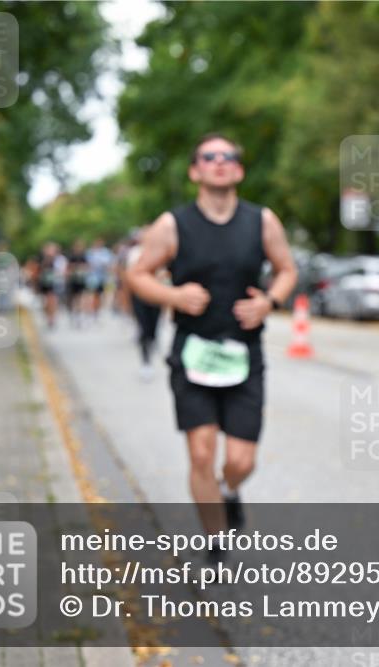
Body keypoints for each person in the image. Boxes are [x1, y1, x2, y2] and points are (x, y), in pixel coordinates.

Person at [128, 133, 297, 563]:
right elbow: (139, 275)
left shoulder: (261, 221)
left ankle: (229, 490)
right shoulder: (172, 225)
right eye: (209, 157)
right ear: (195, 170)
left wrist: (269, 302)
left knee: (240, 461)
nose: (219, 162)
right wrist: (174, 296)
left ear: (238, 170)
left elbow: (286, 270)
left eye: (228, 157)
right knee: (201, 451)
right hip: (193, 351)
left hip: (244, 353)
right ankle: (216, 542)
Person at [125, 230, 163, 381]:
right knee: (144, 328)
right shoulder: (134, 253)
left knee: (154, 329)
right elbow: (130, 276)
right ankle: (145, 361)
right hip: (140, 296)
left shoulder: (162, 251)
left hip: (157, 295)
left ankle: (151, 347)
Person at [86, 237, 114, 318]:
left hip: (102, 277)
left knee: (99, 295)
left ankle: (96, 310)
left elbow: (109, 264)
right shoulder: (90, 252)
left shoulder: (106, 252)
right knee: (92, 294)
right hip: (92, 277)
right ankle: (91, 310)